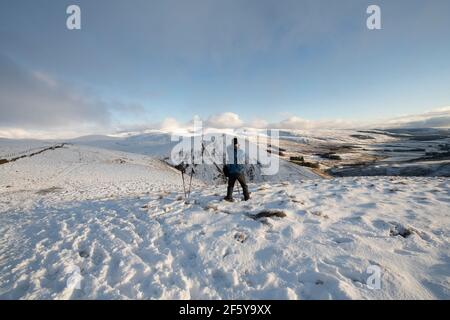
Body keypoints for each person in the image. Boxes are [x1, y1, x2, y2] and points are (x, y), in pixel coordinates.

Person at [223, 137, 250, 202]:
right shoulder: (240, 151)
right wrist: (238, 147)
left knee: (231, 185)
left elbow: (228, 148)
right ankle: (247, 197)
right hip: (239, 171)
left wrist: (233, 145)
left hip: (231, 171)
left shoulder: (229, 151)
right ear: (237, 143)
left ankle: (229, 197)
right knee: (244, 185)